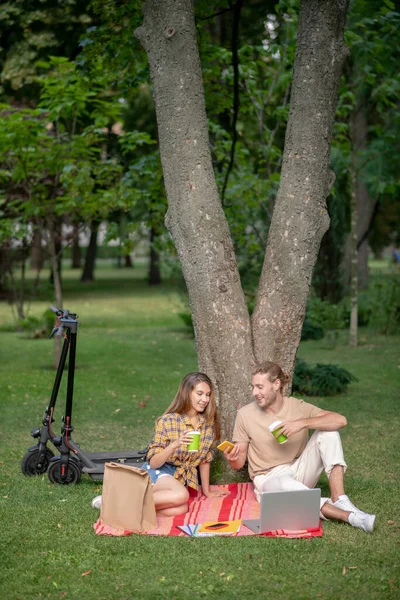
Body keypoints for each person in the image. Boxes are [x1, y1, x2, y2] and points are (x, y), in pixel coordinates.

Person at [224, 361, 376, 533]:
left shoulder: (297, 407)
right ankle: (349, 517)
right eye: (253, 387)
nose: (254, 392)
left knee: (329, 432)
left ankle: (339, 498)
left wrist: (302, 423)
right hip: (268, 479)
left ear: (276, 384)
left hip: (298, 469)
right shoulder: (245, 414)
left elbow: (340, 420)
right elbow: (239, 462)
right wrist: (233, 459)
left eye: (260, 387)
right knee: (285, 484)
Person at [139, 372, 227, 516]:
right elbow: (154, 463)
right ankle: (117, 502)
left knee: (180, 509)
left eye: (207, 394)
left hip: (177, 480)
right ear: (187, 393)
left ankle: (133, 512)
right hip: (158, 472)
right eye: (199, 393)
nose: (205, 399)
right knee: (182, 496)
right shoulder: (168, 421)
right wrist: (175, 444)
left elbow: (205, 459)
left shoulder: (207, 425)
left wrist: (207, 491)